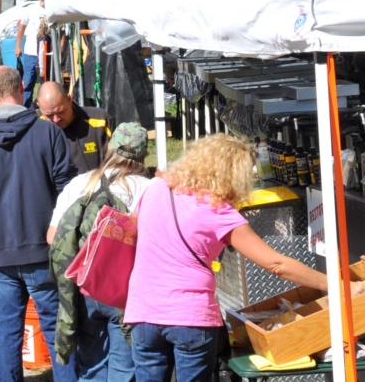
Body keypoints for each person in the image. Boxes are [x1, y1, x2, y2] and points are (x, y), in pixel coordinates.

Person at [126, 134, 345, 381]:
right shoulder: (218, 210)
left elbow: (131, 233)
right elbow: (277, 264)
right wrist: (334, 285)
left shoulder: (153, 188)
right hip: (189, 316)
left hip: (142, 311)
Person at [0, 66, 77, 382]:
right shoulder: (48, 133)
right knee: (57, 332)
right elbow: (69, 192)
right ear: (22, 88)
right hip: (44, 252)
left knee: (8, 334)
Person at [48, 122, 151, 380]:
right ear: (142, 154)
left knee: (91, 364)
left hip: (85, 286)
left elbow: (53, 237)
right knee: (124, 365)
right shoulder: (148, 189)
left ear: (109, 147)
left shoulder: (80, 183)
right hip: (125, 290)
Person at [37, 81, 114, 174]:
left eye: (61, 112)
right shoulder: (36, 129)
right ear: (39, 107)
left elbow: (117, 161)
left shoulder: (100, 121)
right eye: (49, 115)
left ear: (69, 100)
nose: (56, 119)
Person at [15, 0, 47, 108]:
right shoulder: (31, 9)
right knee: (28, 83)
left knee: (46, 82)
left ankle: (44, 108)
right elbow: (21, 28)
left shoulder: (53, 10)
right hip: (31, 53)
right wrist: (18, 46)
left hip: (47, 53)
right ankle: (24, 109)